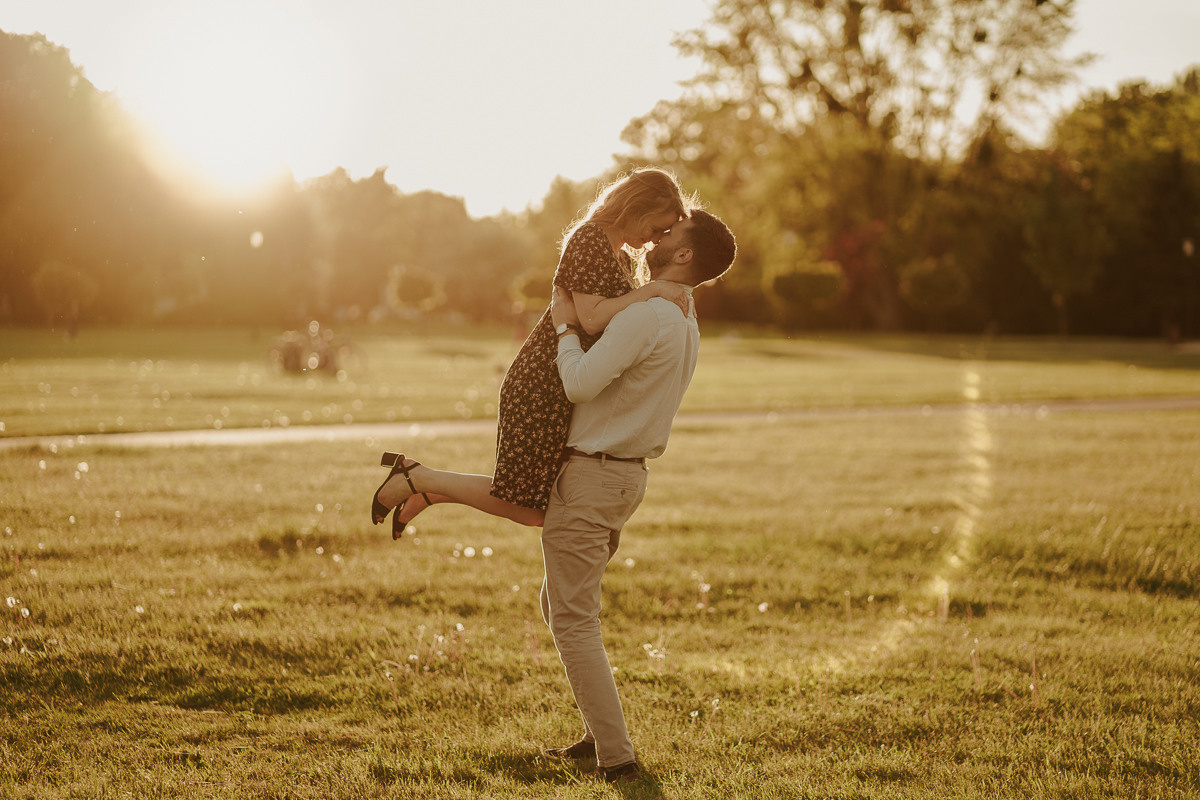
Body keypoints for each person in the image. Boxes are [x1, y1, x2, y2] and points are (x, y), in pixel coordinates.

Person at [375, 210, 737, 783]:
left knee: (572, 619)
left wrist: (567, 328)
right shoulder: (684, 319)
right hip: (620, 478)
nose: (659, 235)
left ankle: (615, 758)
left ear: (688, 256)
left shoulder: (649, 315)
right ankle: (425, 483)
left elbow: (579, 382)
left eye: (673, 233)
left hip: (596, 474)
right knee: (561, 605)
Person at [371, 168, 694, 535]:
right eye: (655, 228)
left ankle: (427, 489)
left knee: (539, 509)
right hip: (541, 383)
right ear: (637, 208)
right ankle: (418, 478)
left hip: (563, 382)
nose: (654, 240)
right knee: (526, 507)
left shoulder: (619, 255)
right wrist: (651, 292)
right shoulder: (590, 238)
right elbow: (589, 319)